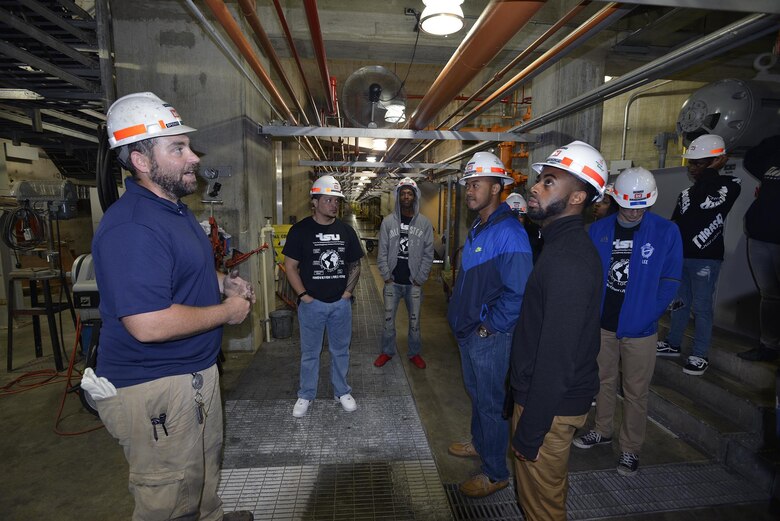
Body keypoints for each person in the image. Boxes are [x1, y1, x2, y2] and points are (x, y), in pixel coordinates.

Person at [86, 92, 255, 521]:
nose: (193, 157)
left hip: (192, 375)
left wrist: (221, 282)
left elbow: (181, 273)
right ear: (142, 161)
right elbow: (148, 323)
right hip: (156, 386)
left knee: (200, 476)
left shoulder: (173, 212)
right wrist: (227, 312)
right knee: (169, 498)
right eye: (177, 148)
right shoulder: (133, 227)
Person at [510, 140, 606, 521]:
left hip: (547, 409)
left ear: (578, 197)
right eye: (539, 179)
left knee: (542, 508)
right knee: (541, 497)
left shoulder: (568, 261)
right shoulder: (557, 246)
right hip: (542, 401)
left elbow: (557, 356)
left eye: (549, 182)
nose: (534, 187)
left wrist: (531, 430)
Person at [574, 167, 683, 477]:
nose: (634, 213)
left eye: (641, 207)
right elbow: (589, 277)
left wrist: (648, 314)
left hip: (641, 330)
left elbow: (670, 278)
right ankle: (602, 429)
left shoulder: (665, 232)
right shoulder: (598, 230)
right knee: (603, 381)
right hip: (603, 325)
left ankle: (631, 449)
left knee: (636, 391)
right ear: (615, 199)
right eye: (628, 206)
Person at [447, 151, 533, 498]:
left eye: (477, 183)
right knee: (477, 395)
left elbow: (519, 292)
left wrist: (490, 327)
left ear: (497, 187)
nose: (469, 189)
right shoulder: (482, 225)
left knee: (491, 403)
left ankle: (496, 471)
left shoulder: (509, 232)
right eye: (468, 182)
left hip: (488, 336)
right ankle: (481, 443)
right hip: (469, 331)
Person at [656, 134, 742, 376]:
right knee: (679, 303)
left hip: (707, 259)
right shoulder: (686, 193)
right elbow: (676, 223)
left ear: (717, 162)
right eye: (691, 163)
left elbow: (708, 195)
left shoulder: (730, 185)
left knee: (702, 307)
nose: (693, 168)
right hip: (681, 257)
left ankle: (699, 354)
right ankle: (673, 343)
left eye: (699, 163)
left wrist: (712, 171)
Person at [283, 175, 364, 418]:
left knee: (341, 350)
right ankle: (306, 394)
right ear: (314, 202)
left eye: (336, 200)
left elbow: (355, 265)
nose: (333, 204)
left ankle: (342, 391)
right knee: (310, 352)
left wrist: (347, 294)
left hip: (340, 305)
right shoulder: (300, 231)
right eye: (328, 200)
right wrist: (304, 295)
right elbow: (290, 266)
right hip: (312, 305)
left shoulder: (346, 231)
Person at [375, 177, 434, 369]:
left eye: (410, 193)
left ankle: (414, 353)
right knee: (388, 321)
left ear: (415, 196)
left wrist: (420, 278)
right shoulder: (388, 222)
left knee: (415, 323)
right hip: (392, 282)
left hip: (413, 283)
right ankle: (387, 351)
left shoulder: (424, 224)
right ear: (398, 196)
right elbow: (381, 250)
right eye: (403, 193)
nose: (406, 196)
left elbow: (428, 253)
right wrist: (385, 275)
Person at [737, 135, 780, 361]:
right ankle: (768, 346)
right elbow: (751, 157)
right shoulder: (773, 155)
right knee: (770, 296)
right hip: (759, 237)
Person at [506, 192, 542, 263]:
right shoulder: (495, 232)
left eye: (520, 215)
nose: (516, 219)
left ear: (525, 216)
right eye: (512, 215)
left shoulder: (536, 233)